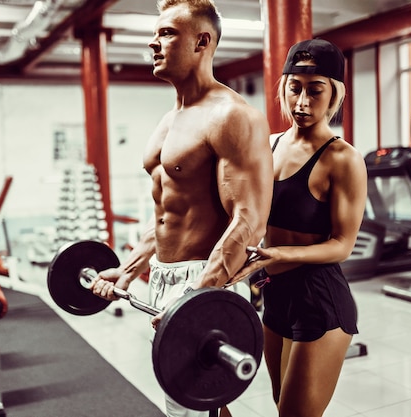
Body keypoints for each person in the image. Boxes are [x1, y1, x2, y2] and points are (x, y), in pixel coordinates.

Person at [89, 1, 273, 416]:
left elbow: (249, 220)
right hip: (167, 277)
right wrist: (129, 267)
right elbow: (167, 217)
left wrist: (195, 294)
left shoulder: (232, 116)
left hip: (206, 276)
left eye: (168, 33)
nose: (153, 42)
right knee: (194, 393)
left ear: (202, 41)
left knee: (186, 403)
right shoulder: (168, 121)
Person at [232, 38, 367, 417]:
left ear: (334, 94)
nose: (302, 102)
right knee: (282, 408)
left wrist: (277, 254)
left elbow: (343, 244)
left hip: (319, 298)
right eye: (295, 88)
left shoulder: (343, 158)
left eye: (315, 90)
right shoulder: (269, 145)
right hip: (274, 295)